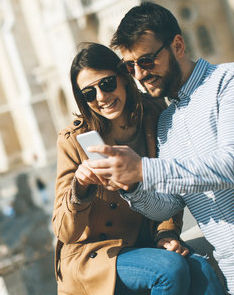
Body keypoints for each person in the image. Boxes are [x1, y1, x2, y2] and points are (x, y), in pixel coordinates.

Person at [86, 2, 234, 294]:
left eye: (147, 61)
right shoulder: (166, 123)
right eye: (130, 67)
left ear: (177, 45)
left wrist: (142, 167)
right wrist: (131, 186)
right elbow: (170, 204)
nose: (139, 75)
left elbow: (233, 168)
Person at [53, 43, 223, 295]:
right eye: (89, 93)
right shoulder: (73, 139)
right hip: (94, 257)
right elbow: (64, 231)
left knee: (203, 272)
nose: (101, 98)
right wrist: (80, 187)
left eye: (107, 84)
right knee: (168, 270)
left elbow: (170, 182)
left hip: (144, 244)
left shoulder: (155, 113)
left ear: (123, 77)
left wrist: (167, 232)